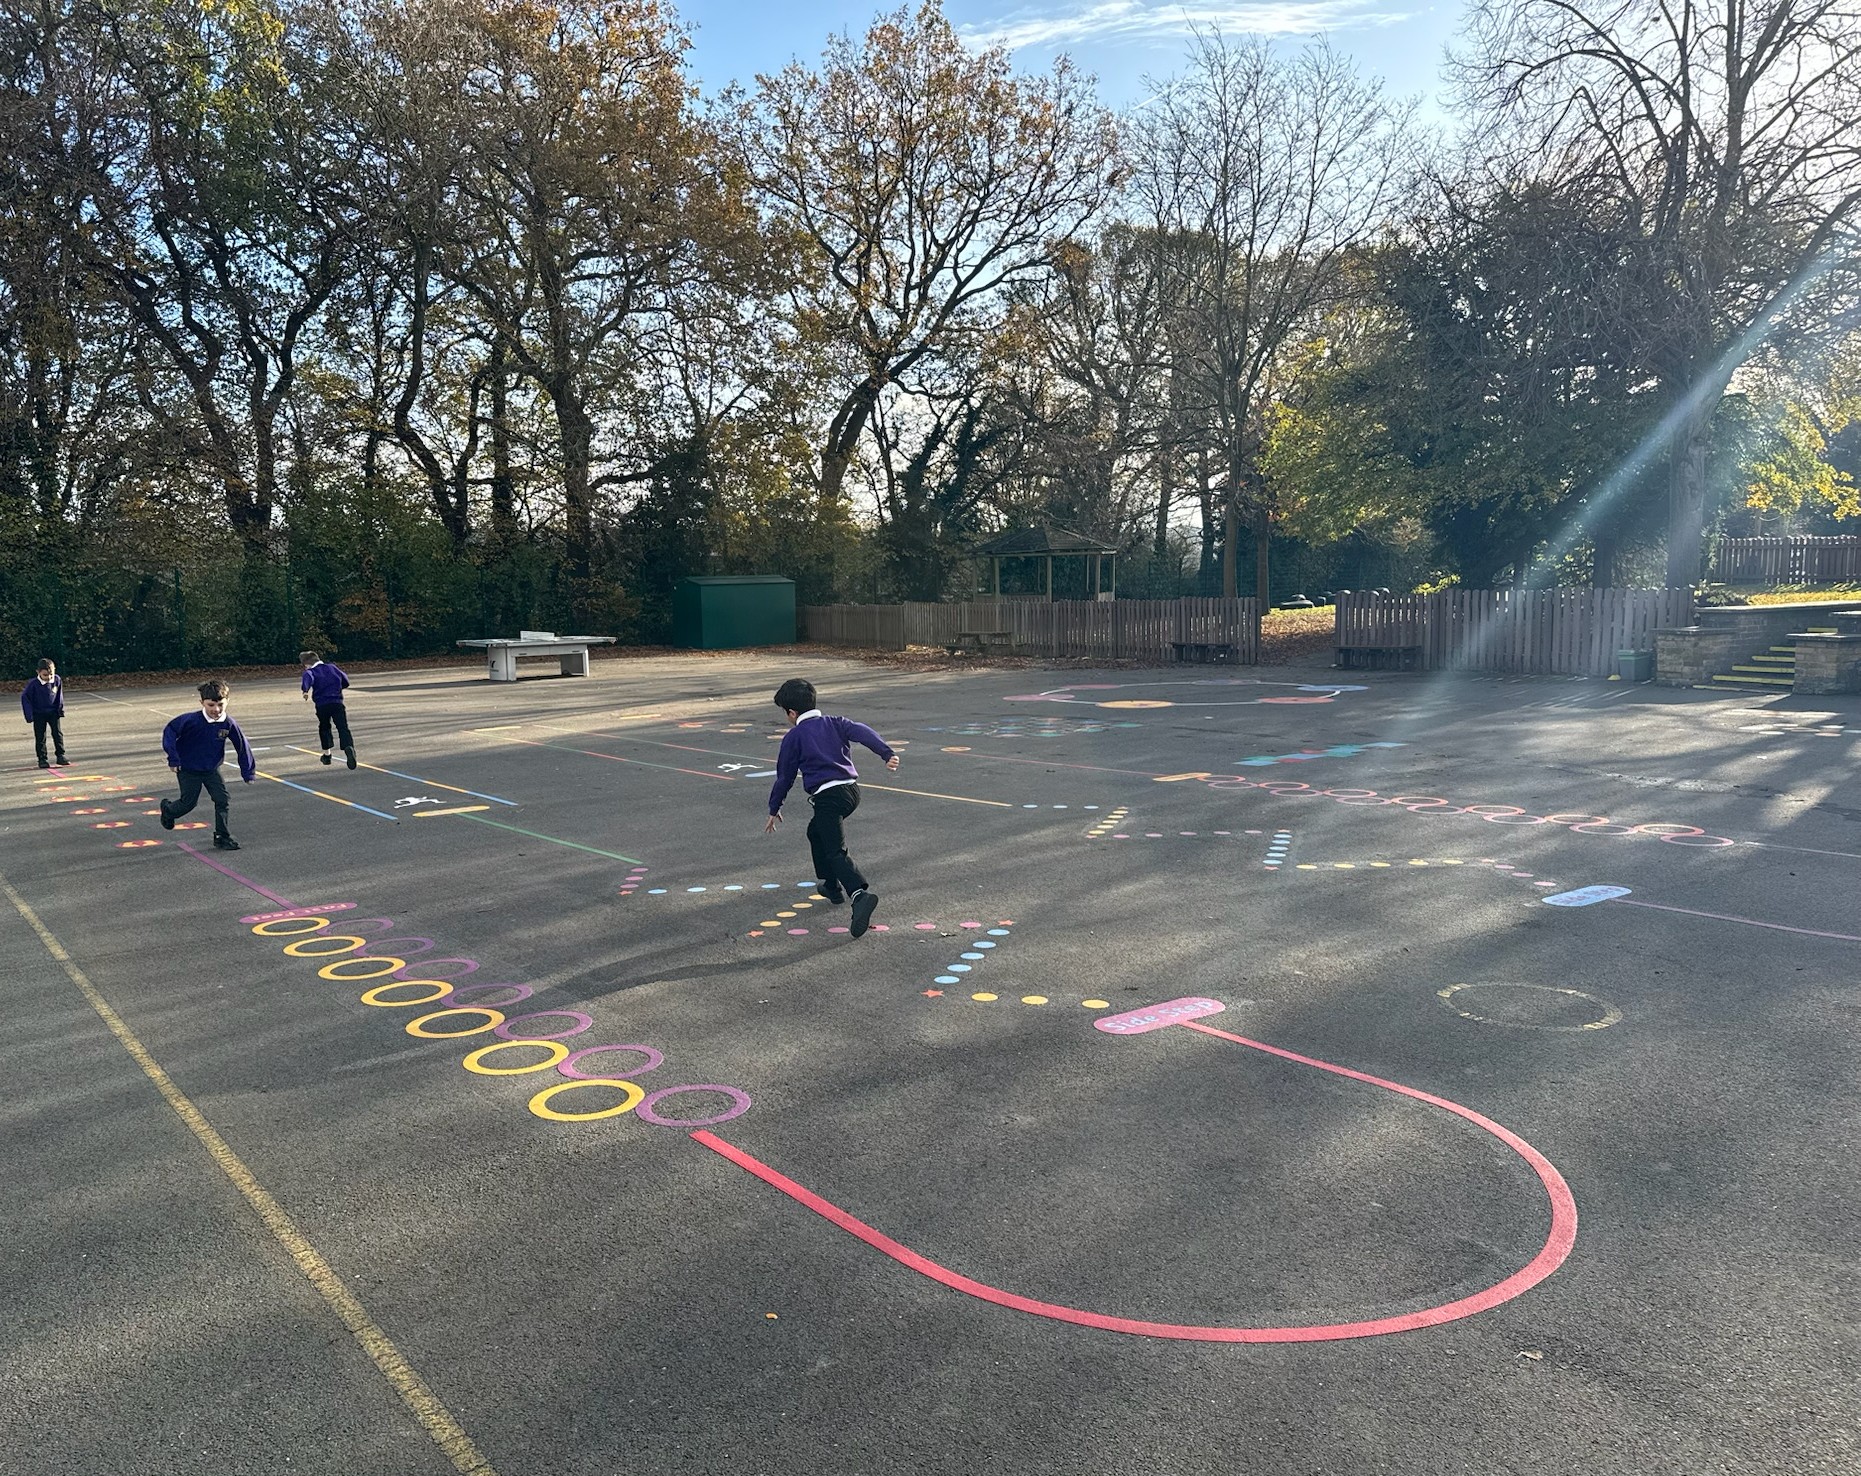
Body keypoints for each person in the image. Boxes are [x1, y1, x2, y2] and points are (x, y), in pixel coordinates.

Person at [764, 677, 898, 938]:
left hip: (828, 797)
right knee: (816, 832)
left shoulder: (794, 737)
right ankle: (831, 885)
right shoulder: (836, 722)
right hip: (850, 792)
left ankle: (859, 894)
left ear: (792, 713)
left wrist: (774, 807)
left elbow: (785, 776)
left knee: (835, 849)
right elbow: (862, 731)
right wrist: (886, 753)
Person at [159, 679, 256, 850]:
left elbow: (242, 746)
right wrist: (173, 758)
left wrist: (247, 771)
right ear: (202, 702)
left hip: (211, 769)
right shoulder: (190, 720)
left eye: (220, 704)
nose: (216, 709)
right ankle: (168, 810)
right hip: (188, 768)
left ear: (227, 702)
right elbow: (169, 731)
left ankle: (222, 837)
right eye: (211, 705)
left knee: (222, 799)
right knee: (188, 803)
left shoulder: (229, 723)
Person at [300, 650, 356, 768]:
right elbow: (345, 681)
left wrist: (305, 690)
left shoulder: (311, 671)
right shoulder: (332, 667)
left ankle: (327, 755)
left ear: (306, 664)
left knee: (325, 727)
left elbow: (308, 677)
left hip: (322, 704)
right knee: (342, 727)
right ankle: (348, 747)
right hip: (337, 702)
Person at [20, 658, 68, 769]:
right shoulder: (33, 684)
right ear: (38, 672)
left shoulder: (57, 680)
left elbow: (59, 696)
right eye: (45, 675)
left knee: (57, 734)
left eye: (51, 674)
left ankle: (60, 755)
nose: (49, 677)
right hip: (39, 714)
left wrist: (59, 709)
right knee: (40, 736)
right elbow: (25, 698)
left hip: (52, 712)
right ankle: (42, 758)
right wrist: (29, 715)